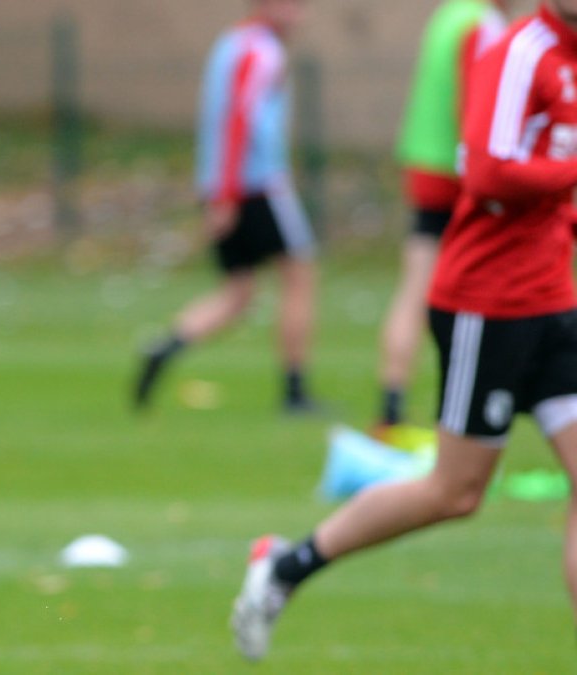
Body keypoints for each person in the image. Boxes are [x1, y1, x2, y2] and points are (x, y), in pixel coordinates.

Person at [233, 0, 577, 661]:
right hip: (489, 306)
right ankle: (287, 565)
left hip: (552, 299)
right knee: (454, 492)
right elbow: (486, 169)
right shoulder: (521, 52)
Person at [133, 0, 318, 414]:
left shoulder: (229, 44)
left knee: (239, 292)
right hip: (257, 187)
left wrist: (218, 190)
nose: (300, 15)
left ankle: (165, 347)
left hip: (223, 184)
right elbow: (238, 121)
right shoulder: (262, 51)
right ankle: (295, 391)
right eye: (291, 7)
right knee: (300, 277)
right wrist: (228, 195)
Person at [377, 0, 509, 429]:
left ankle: (392, 403)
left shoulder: (448, 14)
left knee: (416, 285)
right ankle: (470, 406)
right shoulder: (481, 23)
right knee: (478, 290)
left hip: (423, 165)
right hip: (456, 174)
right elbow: (475, 104)